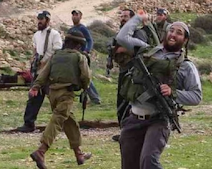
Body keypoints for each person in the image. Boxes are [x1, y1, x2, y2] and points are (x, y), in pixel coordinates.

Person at [116, 11, 202, 169]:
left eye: (179, 33)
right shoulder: (147, 50)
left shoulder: (186, 66)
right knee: (129, 164)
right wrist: (138, 19)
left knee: (149, 161)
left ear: (185, 40)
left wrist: (173, 92)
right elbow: (122, 38)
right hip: (134, 118)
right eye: (171, 30)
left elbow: (196, 96)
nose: (173, 34)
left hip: (158, 120)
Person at [29, 30, 91, 169]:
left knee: (69, 122)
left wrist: (36, 87)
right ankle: (41, 151)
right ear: (78, 45)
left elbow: (44, 73)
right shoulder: (80, 57)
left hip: (53, 94)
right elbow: (86, 77)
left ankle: (79, 154)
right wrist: (84, 88)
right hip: (66, 94)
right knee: (57, 120)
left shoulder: (55, 56)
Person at [110, 9, 160, 142]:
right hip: (124, 71)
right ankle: (124, 131)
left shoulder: (139, 33)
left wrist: (124, 48)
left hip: (135, 74)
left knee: (129, 103)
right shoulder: (121, 33)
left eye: (126, 16)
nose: (123, 18)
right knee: (121, 102)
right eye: (121, 16)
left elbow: (141, 51)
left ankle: (129, 131)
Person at [16, 11, 63, 132]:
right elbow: (35, 50)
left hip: (50, 72)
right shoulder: (36, 35)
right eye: (38, 19)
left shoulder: (54, 34)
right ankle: (29, 123)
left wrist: (46, 62)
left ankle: (62, 122)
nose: (39, 21)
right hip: (38, 72)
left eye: (42, 19)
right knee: (33, 96)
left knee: (55, 98)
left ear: (47, 20)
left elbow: (57, 51)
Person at [69, 10, 101, 104]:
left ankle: (95, 98)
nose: (74, 17)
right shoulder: (71, 29)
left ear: (80, 17)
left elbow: (90, 40)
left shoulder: (82, 28)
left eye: (76, 15)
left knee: (85, 76)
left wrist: (86, 51)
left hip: (80, 56)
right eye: (73, 15)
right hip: (71, 57)